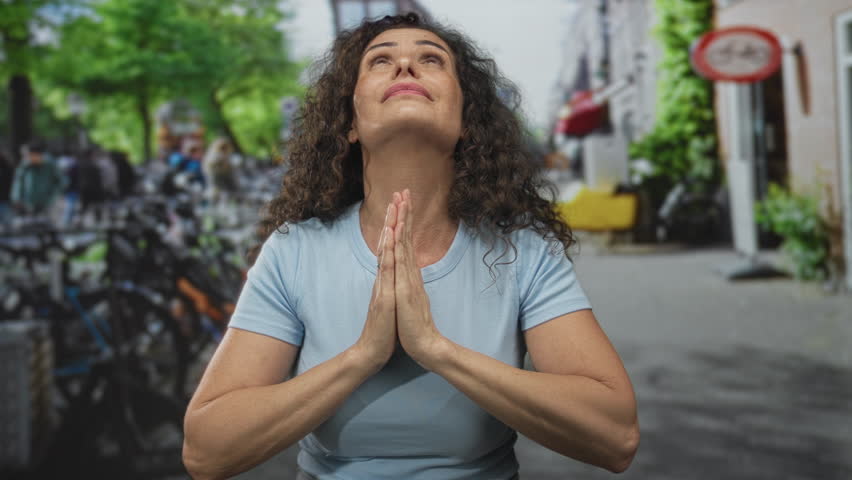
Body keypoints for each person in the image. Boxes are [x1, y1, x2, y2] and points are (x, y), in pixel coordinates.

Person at [183, 13, 638, 480]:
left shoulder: (523, 250)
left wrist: (436, 350)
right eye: (380, 60)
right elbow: (206, 450)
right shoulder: (295, 251)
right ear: (350, 124)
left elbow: (616, 436)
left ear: (466, 121)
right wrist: (362, 357)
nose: (405, 66)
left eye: (431, 59)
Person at [10, 142, 65, 216]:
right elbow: (18, 181)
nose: (26, 157)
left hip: (47, 203)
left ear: (37, 154)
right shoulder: (25, 164)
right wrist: (16, 198)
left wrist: (52, 196)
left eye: (29, 155)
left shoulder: (50, 164)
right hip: (28, 203)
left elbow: (62, 181)